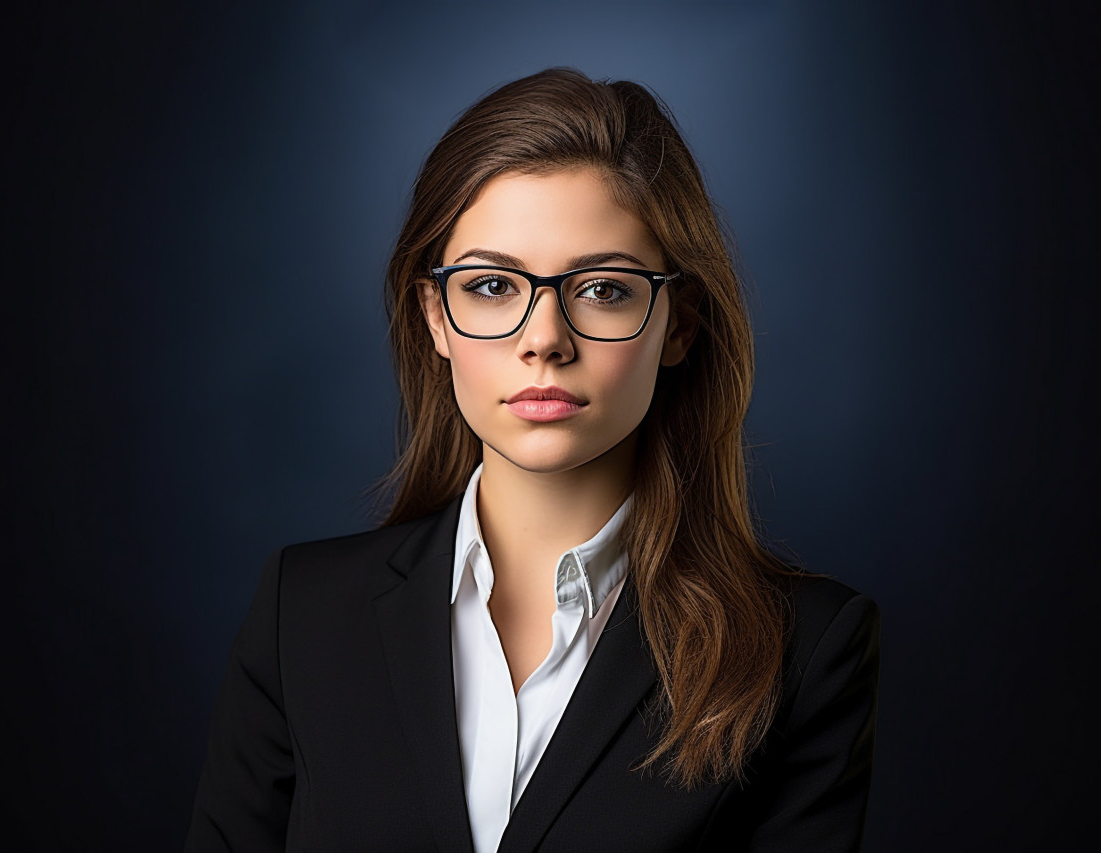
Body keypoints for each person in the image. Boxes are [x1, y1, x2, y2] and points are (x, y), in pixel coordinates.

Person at [184, 67, 880, 853]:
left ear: (678, 325)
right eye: (490, 285)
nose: (544, 337)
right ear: (434, 318)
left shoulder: (803, 651)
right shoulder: (301, 616)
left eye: (603, 289)